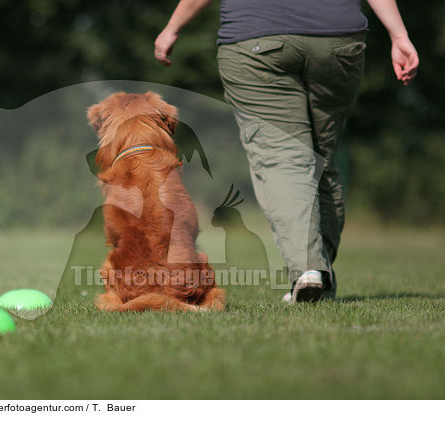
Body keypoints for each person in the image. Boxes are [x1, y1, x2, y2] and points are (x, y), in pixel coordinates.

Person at [155, 0, 418, 303]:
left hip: (255, 36)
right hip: (337, 39)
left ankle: (307, 269)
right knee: (323, 160)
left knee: (283, 158)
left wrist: (172, 28)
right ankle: (319, 277)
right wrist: (398, 35)